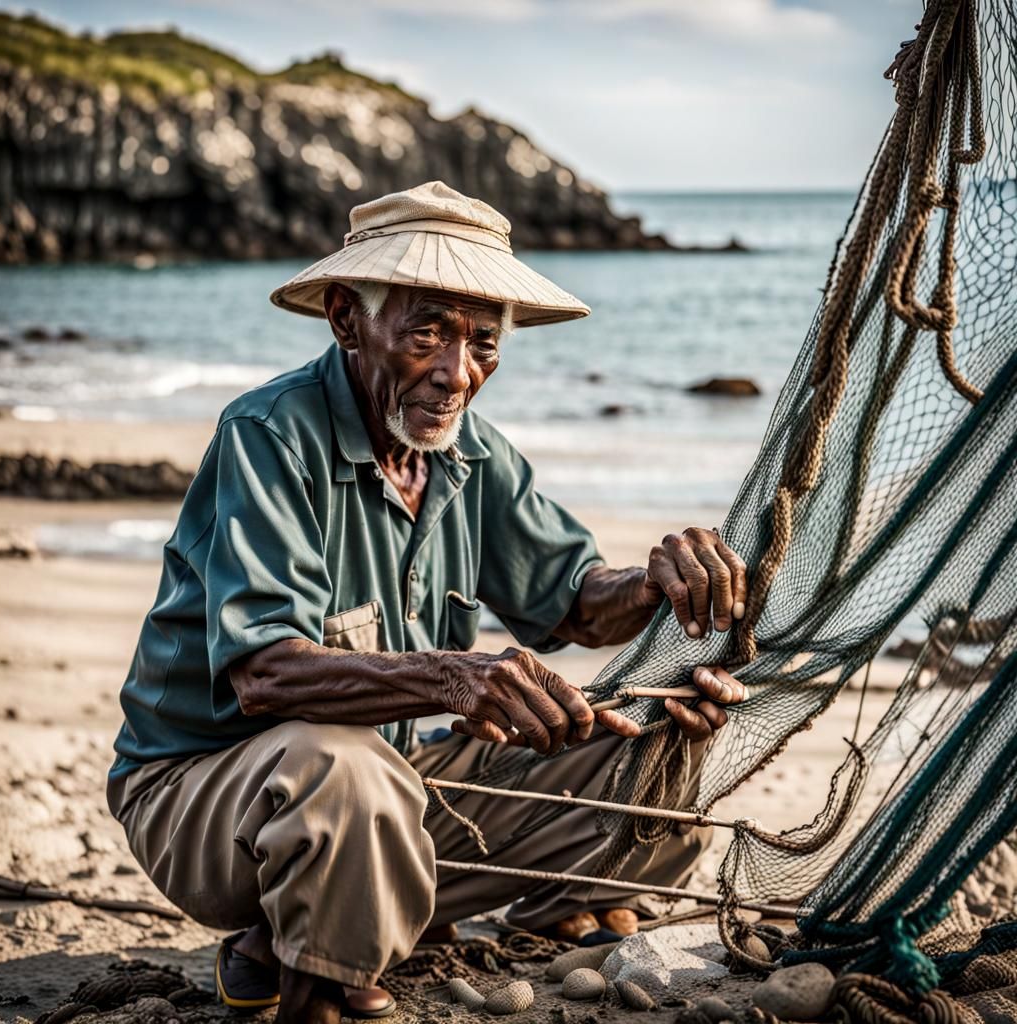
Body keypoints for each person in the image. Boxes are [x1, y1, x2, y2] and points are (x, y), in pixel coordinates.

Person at [107, 181, 749, 1023]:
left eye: (484, 342)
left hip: (391, 789)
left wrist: (658, 580)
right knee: (342, 769)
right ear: (347, 320)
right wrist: (452, 678)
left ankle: (354, 919)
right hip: (202, 793)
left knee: (649, 743)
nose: (458, 374)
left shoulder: (471, 455)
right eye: (427, 333)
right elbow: (265, 676)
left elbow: (578, 608)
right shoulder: (269, 434)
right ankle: (314, 956)